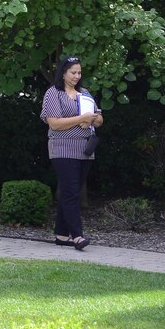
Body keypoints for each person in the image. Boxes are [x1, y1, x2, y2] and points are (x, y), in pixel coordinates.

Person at [39, 55, 101, 250]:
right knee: (71, 191)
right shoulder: (53, 93)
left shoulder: (84, 93)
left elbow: (99, 119)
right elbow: (54, 123)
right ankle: (77, 236)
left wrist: (90, 120)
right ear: (63, 73)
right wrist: (80, 118)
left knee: (70, 191)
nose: (77, 76)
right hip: (63, 148)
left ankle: (61, 234)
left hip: (85, 150)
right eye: (73, 72)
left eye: (79, 72)